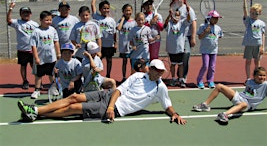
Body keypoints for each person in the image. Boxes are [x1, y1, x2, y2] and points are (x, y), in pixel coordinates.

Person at [17, 59, 187, 126]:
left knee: (74, 108)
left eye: (161, 71)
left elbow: (167, 105)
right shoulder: (138, 76)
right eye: (156, 70)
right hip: (110, 98)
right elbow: (119, 90)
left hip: (117, 109)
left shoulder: (160, 87)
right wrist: (110, 106)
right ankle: (36, 110)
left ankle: (37, 113)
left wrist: (175, 114)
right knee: (74, 97)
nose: (159, 73)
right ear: (149, 68)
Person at [192, 67, 267, 124]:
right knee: (219, 86)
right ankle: (205, 105)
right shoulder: (249, 81)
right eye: (260, 75)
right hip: (239, 97)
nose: (262, 77)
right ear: (254, 76)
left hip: (247, 105)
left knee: (243, 104)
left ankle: (224, 115)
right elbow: (248, 92)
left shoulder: (265, 85)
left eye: (264, 75)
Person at [6, 3, 39, 89]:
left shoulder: (35, 24)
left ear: (30, 14)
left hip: (33, 49)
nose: (26, 14)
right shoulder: (17, 23)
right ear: (20, 14)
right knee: (23, 66)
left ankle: (37, 80)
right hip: (22, 50)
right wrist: (10, 9)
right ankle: (25, 81)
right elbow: (8, 20)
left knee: (34, 66)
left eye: (27, 13)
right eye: (24, 13)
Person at [30, 11, 61, 99]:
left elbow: (56, 42)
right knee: (38, 75)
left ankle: (53, 89)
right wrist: (36, 57)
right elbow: (33, 46)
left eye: (50, 20)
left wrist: (58, 53)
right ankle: (37, 90)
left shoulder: (52, 30)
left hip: (51, 58)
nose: (49, 22)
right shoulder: (36, 31)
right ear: (41, 20)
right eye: (46, 20)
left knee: (51, 74)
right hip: (41, 58)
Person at [171, 0, 197, 86]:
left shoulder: (188, 9)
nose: (179, 0)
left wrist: (193, 37)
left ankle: (183, 77)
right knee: (176, 59)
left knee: (186, 55)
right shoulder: (173, 8)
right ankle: (177, 77)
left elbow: (193, 22)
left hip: (186, 36)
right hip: (176, 37)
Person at [91, 0, 117, 78]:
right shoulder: (97, 17)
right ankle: (96, 76)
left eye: (107, 8)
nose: (106, 10)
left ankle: (108, 75)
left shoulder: (111, 20)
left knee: (109, 60)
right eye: (104, 8)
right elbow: (92, 5)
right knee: (98, 60)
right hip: (99, 45)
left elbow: (114, 33)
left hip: (109, 45)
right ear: (100, 9)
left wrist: (115, 43)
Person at [196, 10, 223, 89]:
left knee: (212, 66)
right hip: (205, 50)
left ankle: (210, 81)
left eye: (217, 18)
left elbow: (220, 36)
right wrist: (205, 32)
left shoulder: (218, 28)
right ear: (209, 18)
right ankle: (200, 81)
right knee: (205, 65)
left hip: (214, 50)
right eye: (214, 18)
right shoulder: (203, 26)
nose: (216, 20)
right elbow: (200, 37)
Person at [241, 0, 265, 81]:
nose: (254, 15)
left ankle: (257, 78)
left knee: (257, 62)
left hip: (258, 45)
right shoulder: (248, 21)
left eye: (256, 13)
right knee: (248, 62)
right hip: (249, 44)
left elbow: (263, 35)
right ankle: (248, 78)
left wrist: (262, 46)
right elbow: (244, 9)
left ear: (259, 13)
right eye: (252, 13)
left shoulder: (262, 23)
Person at [164, 9, 190, 87]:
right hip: (171, 48)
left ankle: (181, 79)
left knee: (180, 64)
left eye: (178, 15)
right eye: (175, 15)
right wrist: (169, 15)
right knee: (172, 64)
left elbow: (188, 20)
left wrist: (188, 12)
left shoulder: (182, 23)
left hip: (180, 48)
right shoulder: (170, 24)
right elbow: (164, 25)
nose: (176, 17)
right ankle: (173, 79)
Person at [116, 4, 136, 82]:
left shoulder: (134, 22)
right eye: (126, 11)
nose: (128, 12)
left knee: (132, 63)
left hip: (132, 46)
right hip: (124, 46)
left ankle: (132, 77)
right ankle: (124, 77)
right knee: (124, 62)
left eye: (129, 10)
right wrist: (122, 19)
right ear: (123, 11)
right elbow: (118, 28)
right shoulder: (120, 21)